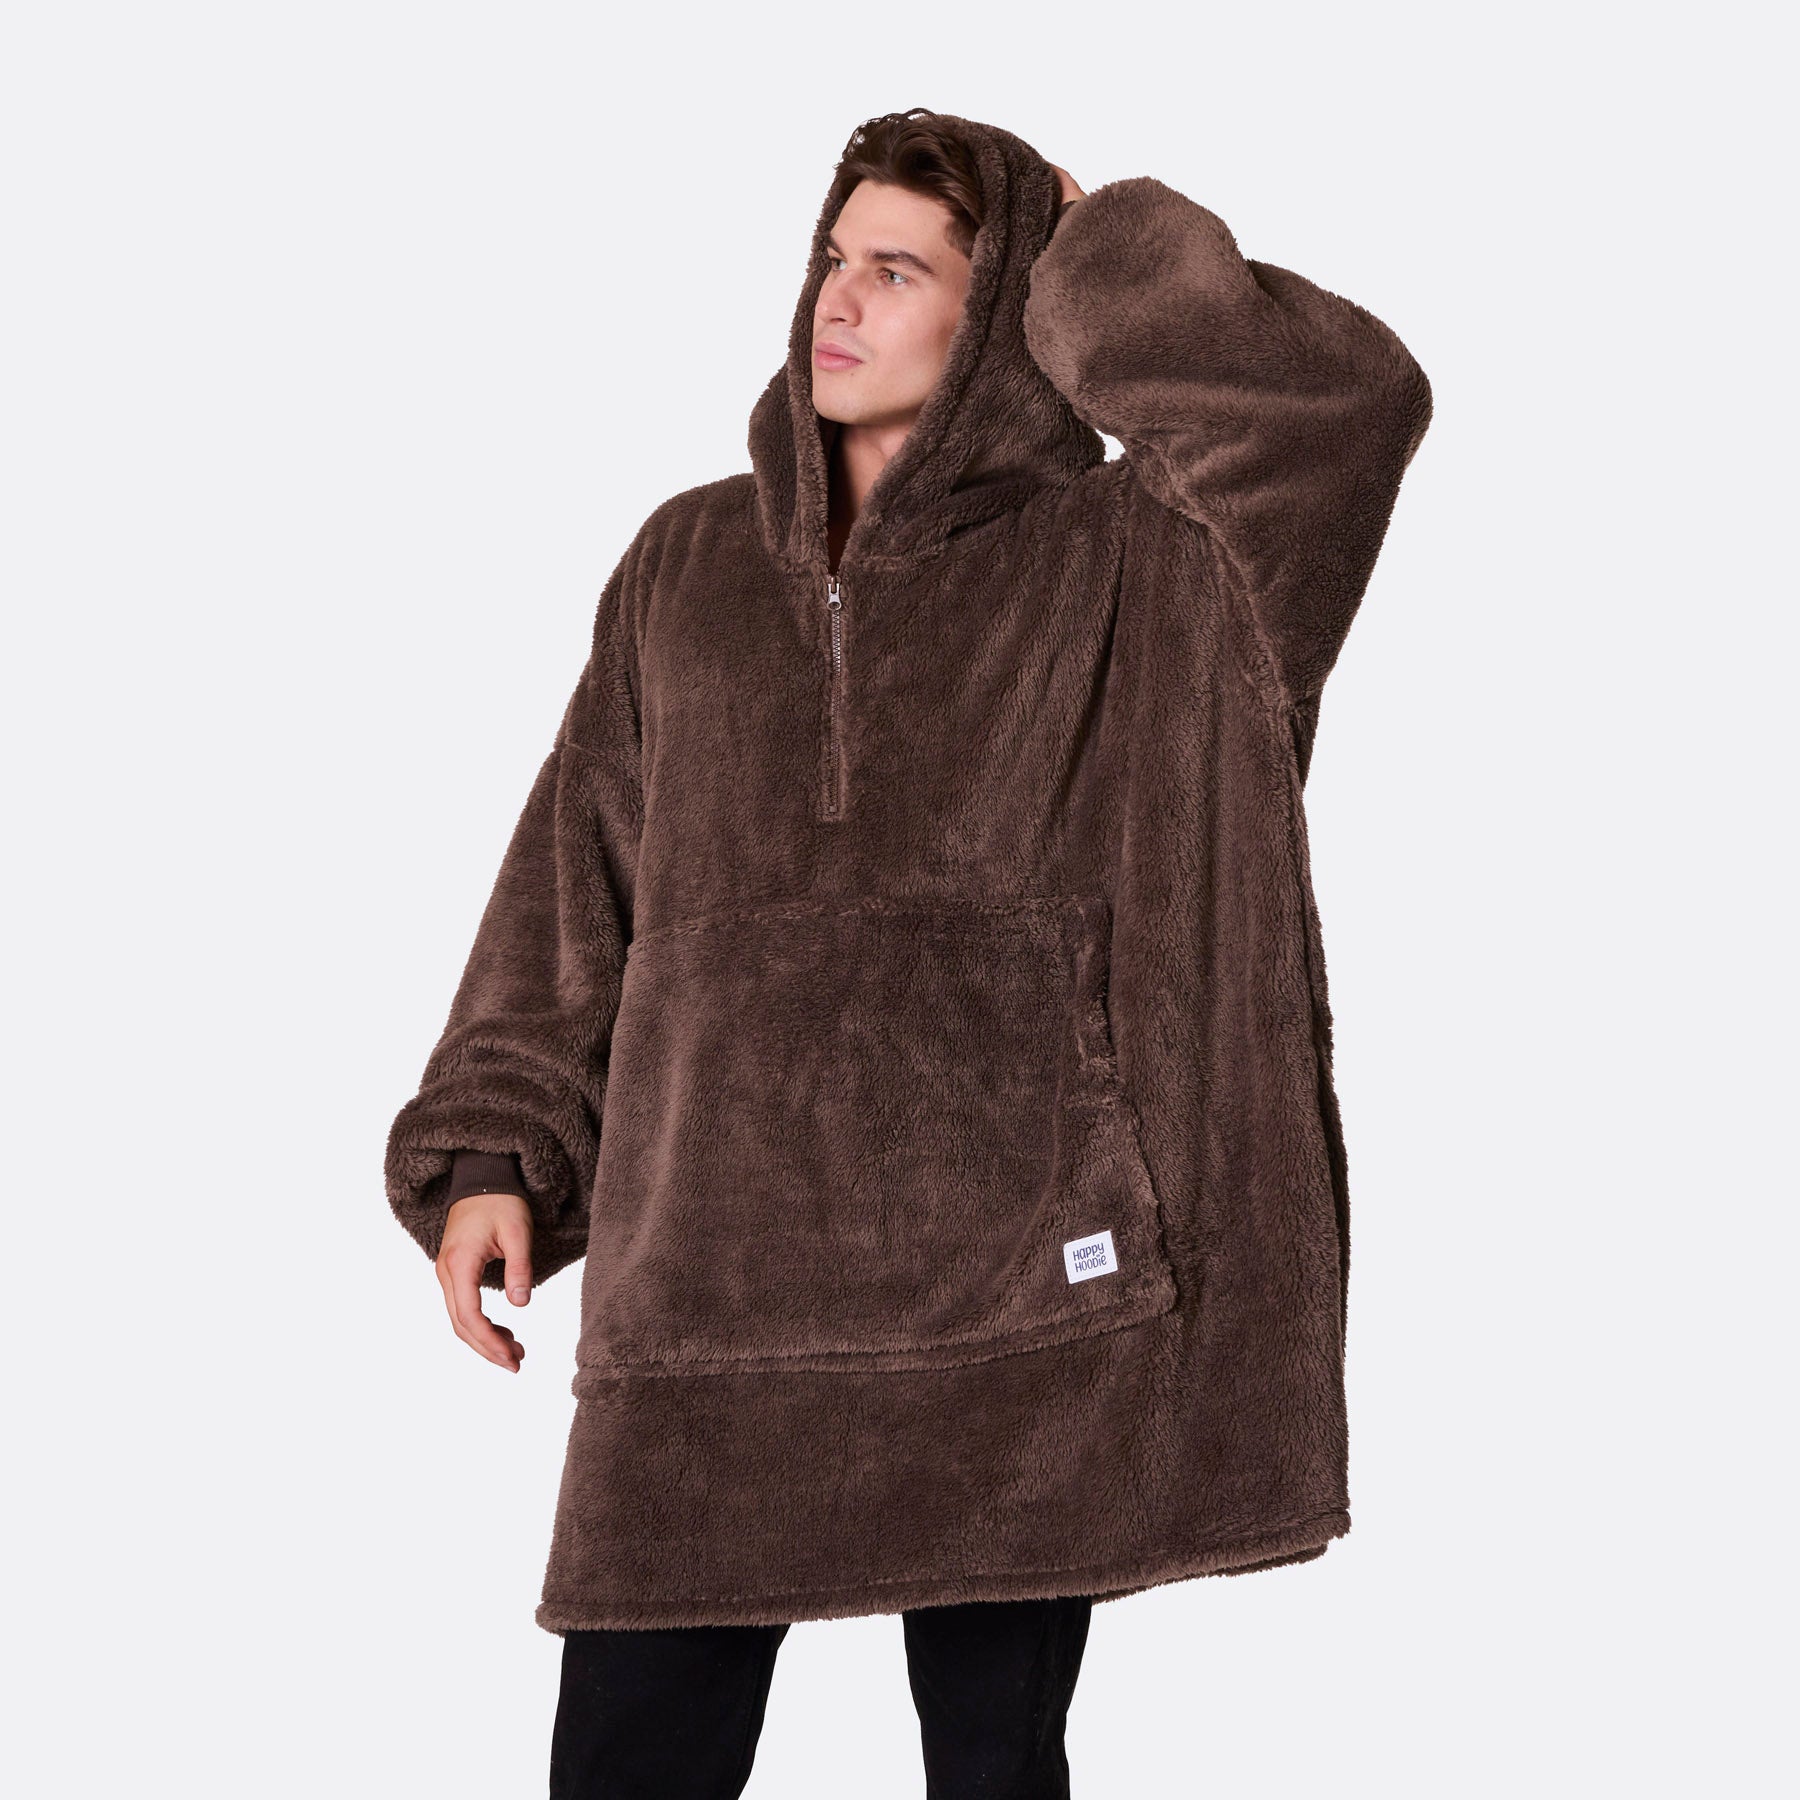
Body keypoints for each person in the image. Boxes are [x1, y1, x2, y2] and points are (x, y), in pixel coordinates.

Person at [385, 108, 1432, 1797]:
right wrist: (501, 1148)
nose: (840, 298)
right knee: (627, 1764)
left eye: (900, 269)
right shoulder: (685, 562)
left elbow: (1342, 415)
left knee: (994, 1774)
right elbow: (581, 868)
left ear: (1000, 305)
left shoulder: (1143, 555)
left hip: (1016, 1290)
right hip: (709, 1292)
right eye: (833, 256)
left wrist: (1113, 258)